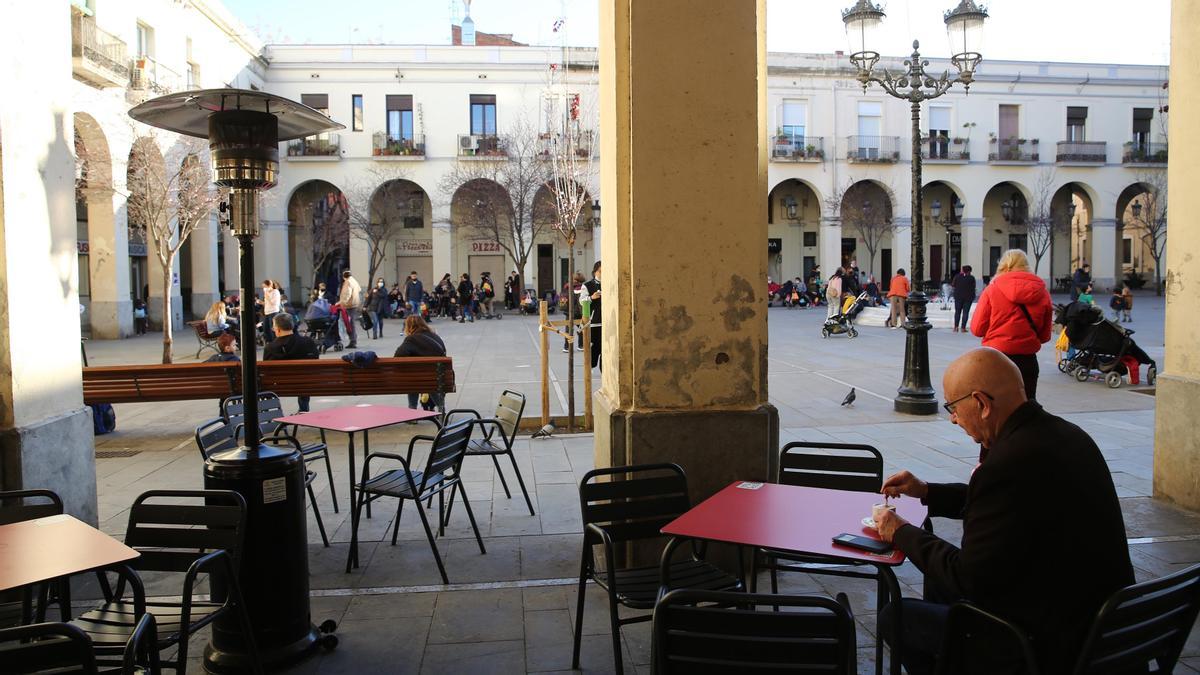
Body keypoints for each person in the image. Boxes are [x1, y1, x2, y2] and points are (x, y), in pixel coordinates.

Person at [874, 347, 1133, 674]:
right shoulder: (1067, 436)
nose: (953, 418)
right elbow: (1006, 506)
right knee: (937, 580)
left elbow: (967, 577)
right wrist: (928, 492)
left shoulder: (1007, 464)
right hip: (1097, 620)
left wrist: (899, 531)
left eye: (953, 407)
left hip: (1046, 644)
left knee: (895, 618)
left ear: (981, 404)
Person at [970, 249, 1052, 402]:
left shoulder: (992, 290)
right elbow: (1045, 336)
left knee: (994, 408)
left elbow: (977, 329)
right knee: (1027, 408)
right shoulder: (1043, 293)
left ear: (1004, 266)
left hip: (996, 359)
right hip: (1027, 361)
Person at [263, 313, 320, 412]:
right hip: (306, 383)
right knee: (304, 376)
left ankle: (274, 413)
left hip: (279, 385)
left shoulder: (270, 347)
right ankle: (303, 409)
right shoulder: (308, 342)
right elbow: (315, 360)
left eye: (273, 326)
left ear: (278, 329)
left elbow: (266, 370)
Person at [394, 314, 447, 411]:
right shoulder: (435, 336)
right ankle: (441, 408)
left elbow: (398, 356)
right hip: (438, 377)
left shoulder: (411, 339)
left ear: (408, 326)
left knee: (413, 380)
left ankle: (412, 410)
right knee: (429, 380)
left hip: (419, 379)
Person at [584, 260, 602, 370]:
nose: (602, 274)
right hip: (594, 323)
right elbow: (582, 302)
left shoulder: (610, 283)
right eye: (600, 271)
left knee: (606, 351)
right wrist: (591, 297)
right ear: (595, 272)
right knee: (595, 349)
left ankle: (604, 372)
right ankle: (590, 366)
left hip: (607, 322)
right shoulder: (587, 285)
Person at [338, 270, 362, 348]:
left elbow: (346, 294)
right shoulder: (354, 281)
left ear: (344, 276)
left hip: (348, 306)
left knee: (348, 324)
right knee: (351, 323)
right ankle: (353, 340)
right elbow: (359, 290)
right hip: (354, 305)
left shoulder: (348, 282)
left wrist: (340, 303)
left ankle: (352, 341)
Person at [951, 265, 977, 333]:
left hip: (958, 296)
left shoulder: (957, 276)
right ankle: (963, 328)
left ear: (962, 270)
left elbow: (953, 285)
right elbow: (973, 287)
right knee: (965, 312)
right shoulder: (971, 278)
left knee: (957, 312)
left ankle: (956, 327)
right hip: (968, 298)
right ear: (969, 271)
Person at [261, 279, 282, 343]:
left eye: (265, 287)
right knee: (266, 329)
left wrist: (267, 296)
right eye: (263, 287)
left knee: (272, 329)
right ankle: (269, 343)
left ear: (270, 285)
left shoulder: (275, 292)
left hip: (273, 312)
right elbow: (267, 303)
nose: (264, 288)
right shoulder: (267, 293)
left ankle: (275, 342)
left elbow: (273, 303)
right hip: (267, 312)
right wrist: (261, 302)